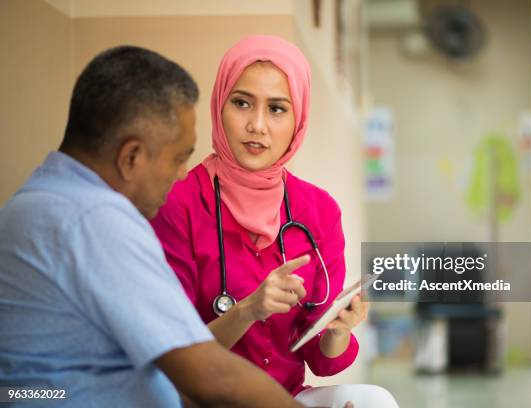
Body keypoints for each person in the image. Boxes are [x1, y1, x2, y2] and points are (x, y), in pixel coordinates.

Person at [0, 45, 308, 408]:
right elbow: (215, 378)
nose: (182, 174)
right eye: (179, 158)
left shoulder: (34, 200)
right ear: (131, 157)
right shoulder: (95, 221)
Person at [151, 35, 399, 407]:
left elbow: (320, 357)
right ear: (220, 105)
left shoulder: (319, 211)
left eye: (277, 109)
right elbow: (177, 355)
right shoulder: (179, 202)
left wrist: (335, 330)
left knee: (374, 401)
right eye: (242, 103)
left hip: (283, 398)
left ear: (298, 118)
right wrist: (248, 310)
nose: (257, 125)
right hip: (204, 399)